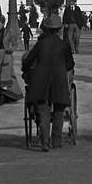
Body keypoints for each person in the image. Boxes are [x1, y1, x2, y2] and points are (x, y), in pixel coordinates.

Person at [22, 11, 73, 152]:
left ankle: (44, 141)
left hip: (41, 81)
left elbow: (28, 61)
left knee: (43, 111)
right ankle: (56, 140)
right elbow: (70, 65)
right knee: (58, 111)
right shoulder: (64, 45)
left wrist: (25, 69)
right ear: (59, 29)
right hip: (59, 82)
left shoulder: (41, 44)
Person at [0, 26, 22, 105]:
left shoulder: (8, 32)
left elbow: (14, 44)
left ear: (3, 23)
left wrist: (11, 50)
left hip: (6, 55)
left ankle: (3, 96)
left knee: (5, 76)